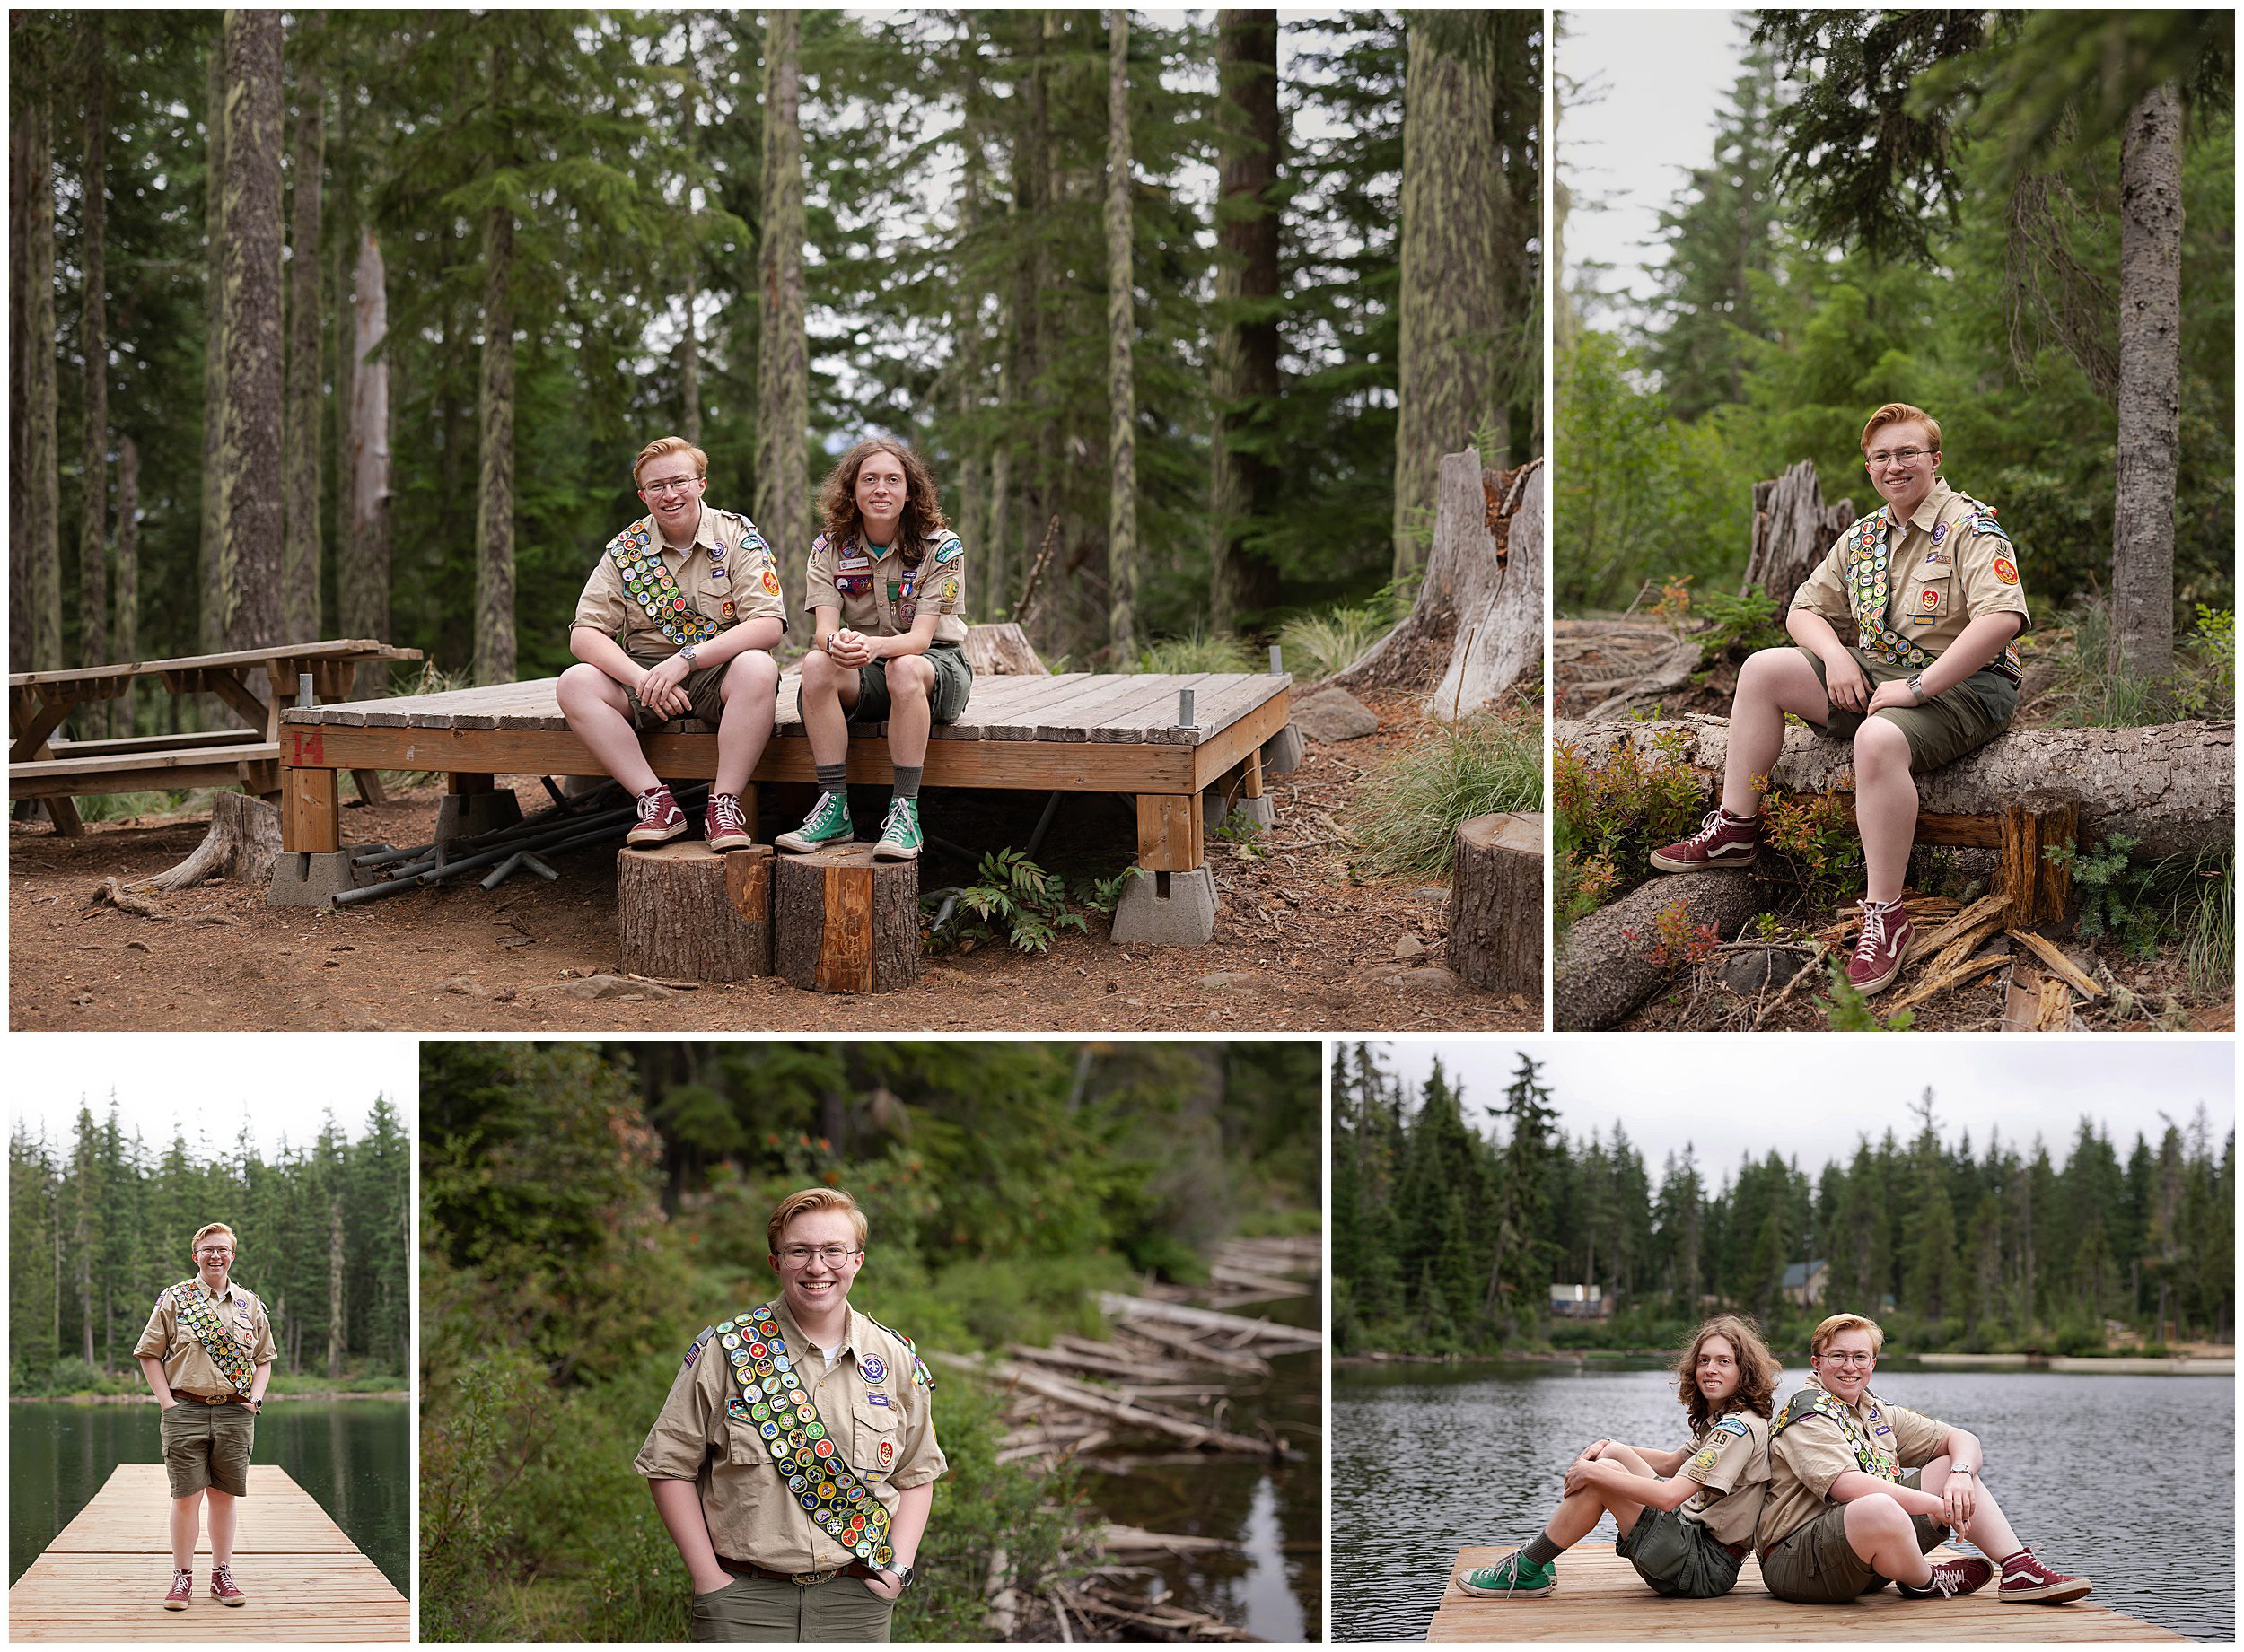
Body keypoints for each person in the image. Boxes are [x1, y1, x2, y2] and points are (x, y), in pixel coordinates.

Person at [1649, 404, 2031, 994]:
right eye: (1881, 456)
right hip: (1884, 674)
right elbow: (1802, 610)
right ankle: (1735, 826)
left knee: (1876, 739)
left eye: (1907, 453)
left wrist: (1918, 687)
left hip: (1968, 683)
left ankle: (1886, 915)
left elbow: (2002, 620)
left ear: (1935, 459)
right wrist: (1835, 655)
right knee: (1762, 668)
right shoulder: (1865, 537)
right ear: (1869, 467)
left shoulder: (1969, 526)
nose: (1894, 465)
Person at [636, 1186, 945, 1642]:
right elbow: (668, 1466)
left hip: (858, 1600)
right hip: (744, 1599)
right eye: (799, 1251)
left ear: (857, 1260)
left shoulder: (894, 1357)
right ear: (776, 1261)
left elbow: (917, 1473)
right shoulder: (726, 1351)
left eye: (833, 1251)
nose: (817, 1267)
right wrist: (709, 1580)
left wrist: (897, 1570)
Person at [1755, 1312, 2091, 1605]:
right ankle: (1926, 1581)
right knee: (1877, 1505)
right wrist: (1939, 1506)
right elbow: (1848, 1487)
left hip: (1862, 1560)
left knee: (1947, 1466)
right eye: (1838, 1356)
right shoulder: (1808, 1412)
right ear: (1817, 1363)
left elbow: (1962, 1438)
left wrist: (1959, 1474)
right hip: (1798, 1565)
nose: (1850, 1367)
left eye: (1860, 1357)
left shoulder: (1874, 1410)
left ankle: (2018, 1569)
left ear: (1873, 1363)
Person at [558, 435, 787, 852]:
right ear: (643, 496)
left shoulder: (737, 537)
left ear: (701, 484)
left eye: (679, 482)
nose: (670, 495)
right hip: (645, 674)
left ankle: (725, 806)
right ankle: (656, 802)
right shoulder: (625, 551)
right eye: (657, 487)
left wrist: (684, 661)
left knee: (759, 666)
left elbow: (768, 625)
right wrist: (644, 679)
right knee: (575, 682)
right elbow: (584, 633)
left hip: (717, 669)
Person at [1458, 1314, 1778, 1601]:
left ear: (1743, 1370)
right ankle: (1540, 1556)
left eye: (1724, 1362)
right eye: (1704, 1361)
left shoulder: (1736, 1430)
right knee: (1613, 1455)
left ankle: (1527, 1567)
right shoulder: (1725, 1419)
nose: (1710, 1370)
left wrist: (1593, 1474)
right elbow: (1669, 1463)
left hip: (1704, 1568)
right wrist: (1606, 1444)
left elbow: (1669, 1497)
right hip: (1691, 1545)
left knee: (1603, 1475)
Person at [774, 439, 973, 863]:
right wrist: (837, 644)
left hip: (934, 666)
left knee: (903, 667)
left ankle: (906, 811)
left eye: (892, 480)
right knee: (815, 664)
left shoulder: (941, 546)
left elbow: (920, 640)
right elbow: (823, 632)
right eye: (869, 480)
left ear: (909, 492)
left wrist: (873, 646)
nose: (881, 489)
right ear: (852, 491)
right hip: (867, 665)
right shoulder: (829, 548)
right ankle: (833, 808)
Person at [134, 1221, 276, 1610]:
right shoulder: (176, 1299)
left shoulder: (249, 1303)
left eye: (223, 1249)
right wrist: (167, 1404)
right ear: (195, 1255)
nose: (216, 1255)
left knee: (225, 1497)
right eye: (208, 1249)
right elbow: (148, 1353)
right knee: (185, 1497)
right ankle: (182, 1579)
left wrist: (256, 1399)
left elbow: (263, 1360)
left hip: (235, 1412)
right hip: (185, 1410)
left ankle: (221, 1576)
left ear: (233, 1255)